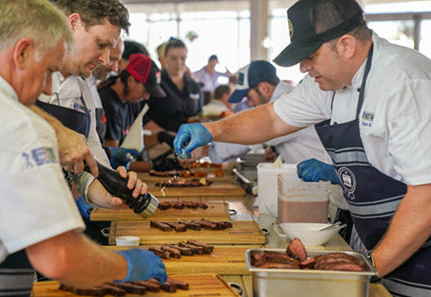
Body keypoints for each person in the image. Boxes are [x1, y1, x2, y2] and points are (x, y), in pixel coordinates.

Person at [174, 0, 431, 295]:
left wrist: (368, 269)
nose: (303, 67)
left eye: (310, 55)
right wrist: (212, 130)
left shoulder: (404, 82)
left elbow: (426, 196)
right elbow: (272, 118)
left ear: (346, 45)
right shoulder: (328, 83)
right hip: (383, 244)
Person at [0, 0, 166, 294]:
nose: (47, 89)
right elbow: (59, 257)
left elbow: (89, 159)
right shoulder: (16, 124)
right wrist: (122, 266)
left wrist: (104, 193)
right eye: (45, 71)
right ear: (22, 51)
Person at [37, 0, 142, 211]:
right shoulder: (27, 78)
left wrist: (111, 192)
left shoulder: (84, 92)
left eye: (110, 49)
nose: (105, 59)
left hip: (57, 213)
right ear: (73, 24)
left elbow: (92, 163)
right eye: (101, 44)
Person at [185, 60, 328, 166]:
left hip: (324, 189)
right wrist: (276, 149)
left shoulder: (287, 103)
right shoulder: (286, 96)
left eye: (249, 97)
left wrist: (204, 151)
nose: (249, 104)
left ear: (264, 87)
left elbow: (249, 136)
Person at [98, 53, 166, 167]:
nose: (147, 97)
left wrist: (161, 137)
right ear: (131, 81)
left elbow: (135, 145)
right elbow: (111, 162)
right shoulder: (108, 104)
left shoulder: (132, 100)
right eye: (146, 91)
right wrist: (152, 165)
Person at [147, 38, 204, 132]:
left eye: (182, 58)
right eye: (174, 58)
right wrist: (165, 135)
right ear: (164, 58)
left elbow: (200, 115)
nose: (178, 63)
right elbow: (145, 117)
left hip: (191, 140)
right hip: (162, 142)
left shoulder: (194, 86)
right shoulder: (155, 84)